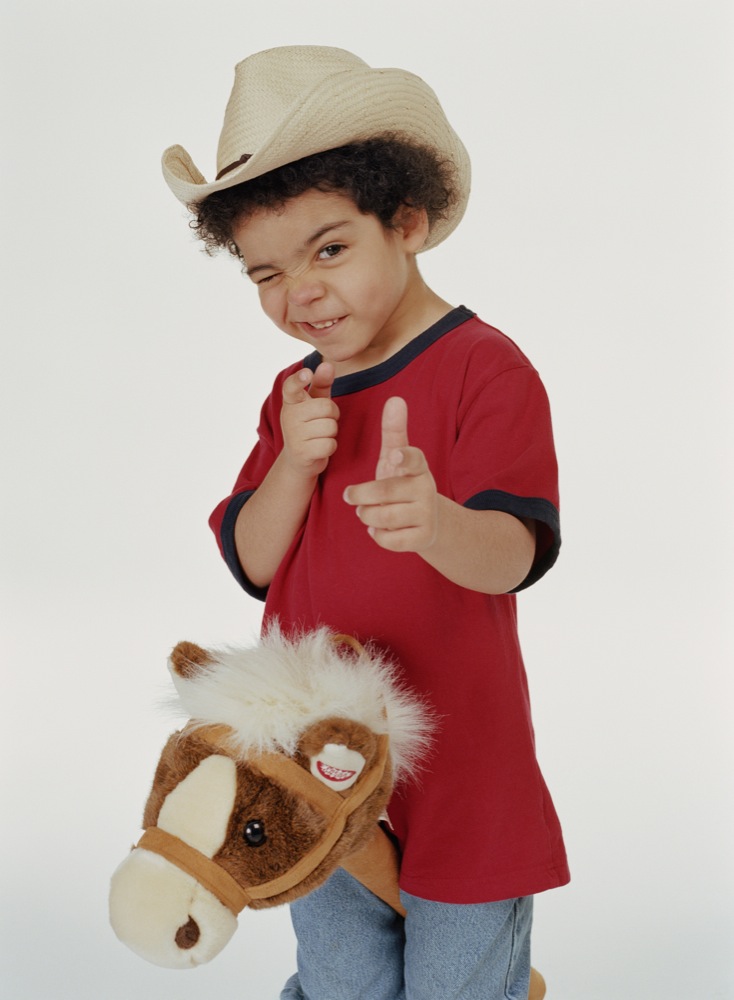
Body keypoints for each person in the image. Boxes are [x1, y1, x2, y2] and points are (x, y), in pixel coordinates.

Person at [162, 45, 569, 1000]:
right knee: (341, 976)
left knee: (456, 980)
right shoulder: (295, 393)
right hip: (315, 756)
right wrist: (298, 463)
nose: (299, 293)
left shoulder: (485, 368)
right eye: (266, 273)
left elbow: (516, 554)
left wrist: (435, 523)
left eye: (330, 249)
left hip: (459, 753)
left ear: (409, 221)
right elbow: (256, 563)